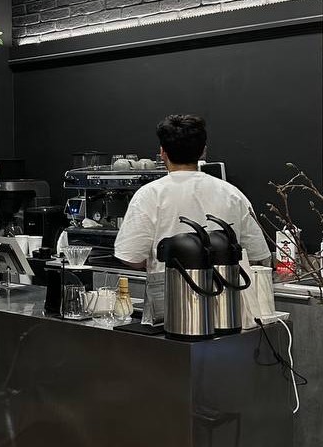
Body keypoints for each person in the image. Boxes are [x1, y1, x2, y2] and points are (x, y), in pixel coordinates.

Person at [114, 114, 271, 323]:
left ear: (162, 152)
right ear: (203, 150)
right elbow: (256, 254)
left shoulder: (149, 195)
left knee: (172, 342)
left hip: (169, 300)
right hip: (227, 304)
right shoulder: (232, 194)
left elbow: (131, 257)